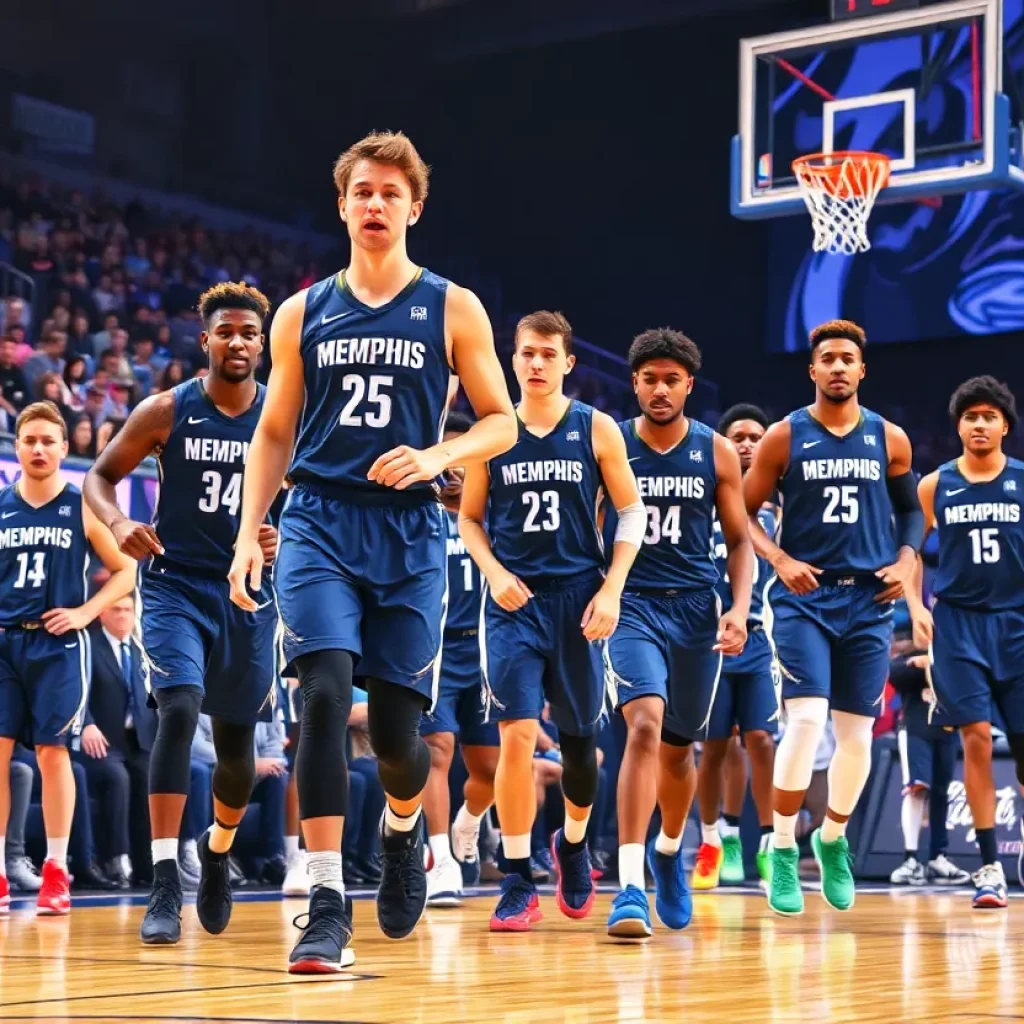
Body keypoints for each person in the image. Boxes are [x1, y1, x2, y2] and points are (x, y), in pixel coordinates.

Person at [226, 131, 516, 972]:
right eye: (363, 191)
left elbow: (499, 420)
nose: (377, 203)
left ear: (414, 208)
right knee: (322, 696)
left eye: (393, 192)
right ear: (344, 204)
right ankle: (324, 903)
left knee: (398, 735)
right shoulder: (301, 311)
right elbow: (274, 430)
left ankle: (400, 829)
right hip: (318, 518)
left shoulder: (452, 305)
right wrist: (250, 530)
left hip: (410, 528)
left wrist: (438, 456)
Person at [83, 282, 279, 944]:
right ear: (206, 341)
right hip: (173, 586)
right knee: (178, 705)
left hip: (245, 591)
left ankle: (218, 849)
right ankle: (165, 879)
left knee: (235, 755)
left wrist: (285, 534)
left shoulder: (283, 419)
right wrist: (116, 521)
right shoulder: (167, 409)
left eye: (250, 333)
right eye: (226, 331)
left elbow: (312, 498)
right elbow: (99, 477)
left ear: (263, 343)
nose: (238, 342)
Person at [459, 310, 645, 933]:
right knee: (514, 734)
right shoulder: (494, 431)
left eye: (548, 354)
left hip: (579, 598)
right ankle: (516, 878)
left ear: (568, 362)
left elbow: (630, 514)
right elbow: (469, 520)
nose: (536, 363)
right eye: (526, 353)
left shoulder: (596, 429)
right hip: (514, 601)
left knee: (580, 747)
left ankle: (571, 843)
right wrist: (493, 572)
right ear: (512, 360)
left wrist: (613, 589)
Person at [743, 319, 921, 917]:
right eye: (829, 359)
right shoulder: (783, 436)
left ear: (862, 370)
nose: (839, 367)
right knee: (806, 721)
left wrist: (907, 559)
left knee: (855, 734)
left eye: (849, 358)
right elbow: (740, 515)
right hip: (803, 598)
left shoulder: (890, 438)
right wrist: (779, 558)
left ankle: (834, 838)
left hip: (870, 601)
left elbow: (910, 514)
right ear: (812, 370)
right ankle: (786, 844)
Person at [603, 330, 751, 938]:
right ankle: (630, 884)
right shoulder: (609, 443)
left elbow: (740, 540)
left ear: (689, 384)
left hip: (696, 609)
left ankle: (669, 851)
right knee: (643, 723)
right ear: (633, 382)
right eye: (648, 378)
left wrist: (739, 607)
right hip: (632, 602)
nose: (659, 389)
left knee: (680, 748)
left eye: (671, 379)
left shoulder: (715, 451)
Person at [0, 401, 136, 917]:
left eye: (47, 441)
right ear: (17, 447)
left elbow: (124, 572)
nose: (38, 448)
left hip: (57, 644)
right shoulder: (1, 505)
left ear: (63, 449)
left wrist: (86, 612)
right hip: (6, 642)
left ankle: (56, 868)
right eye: (29, 439)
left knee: (52, 752)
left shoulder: (81, 505)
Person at [907, 376, 1023, 908]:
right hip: (957, 626)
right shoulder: (935, 484)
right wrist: (915, 609)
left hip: (1016, 625)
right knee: (974, 737)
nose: (979, 424)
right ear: (959, 426)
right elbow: (909, 550)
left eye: (989, 416)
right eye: (970, 416)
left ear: (1005, 425)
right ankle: (989, 868)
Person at [694, 403, 778, 890]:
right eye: (738, 436)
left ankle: (769, 841)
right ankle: (714, 838)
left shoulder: (780, 511)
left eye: (756, 436)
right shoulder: (703, 502)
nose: (747, 444)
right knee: (715, 746)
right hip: (709, 639)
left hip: (763, 639)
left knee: (762, 741)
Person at [419, 410, 500, 905]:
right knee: (437, 751)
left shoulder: (495, 518)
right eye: (446, 460)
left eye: (462, 459)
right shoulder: (418, 514)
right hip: (437, 649)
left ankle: (467, 824)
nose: (453, 471)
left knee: (490, 772)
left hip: (488, 649)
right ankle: (440, 861)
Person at [79, 594, 158, 888]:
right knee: (118, 778)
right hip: (99, 741)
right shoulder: (89, 647)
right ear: (102, 614)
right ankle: (114, 859)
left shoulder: (139, 650)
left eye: (128, 609)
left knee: (151, 778)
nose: (123, 615)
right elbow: (77, 688)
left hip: (135, 740)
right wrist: (86, 724)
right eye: (116, 609)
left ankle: (147, 867)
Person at [887, 643, 970, 887]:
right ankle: (910, 858)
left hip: (946, 731)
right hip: (915, 729)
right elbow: (896, 674)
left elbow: (965, 682)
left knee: (942, 793)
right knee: (916, 789)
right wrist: (921, 662)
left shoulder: (956, 653)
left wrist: (933, 664)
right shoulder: (911, 655)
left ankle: (938, 857)